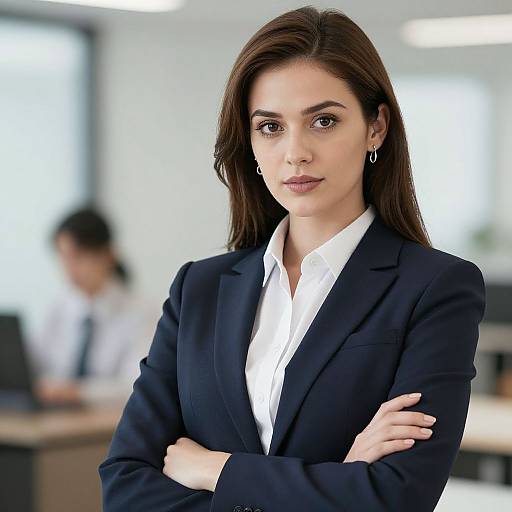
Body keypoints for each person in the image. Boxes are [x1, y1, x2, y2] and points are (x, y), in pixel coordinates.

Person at [98, 6, 486, 511]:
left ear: (376, 127)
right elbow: (125, 487)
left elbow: (396, 499)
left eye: (323, 121)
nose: (295, 152)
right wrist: (336, 479)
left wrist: (217, 469)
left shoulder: (436, 288)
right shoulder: (199, 289)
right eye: (270, 127)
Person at [27, 206, 158, 406]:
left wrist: (77, 392)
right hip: (58, 417)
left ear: (107, 255)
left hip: (107, 423)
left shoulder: (141, 311)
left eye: (77, 257)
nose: (69, 269)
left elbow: (135, 384)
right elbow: (33, 364)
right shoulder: (60, 307)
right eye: (63, 257)